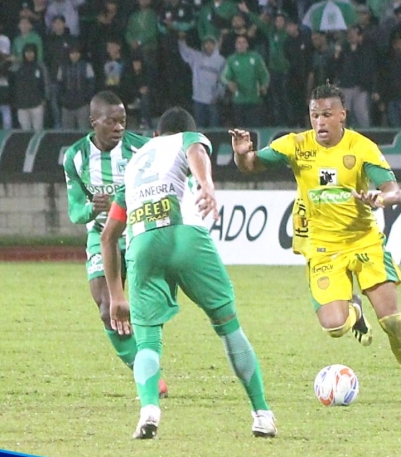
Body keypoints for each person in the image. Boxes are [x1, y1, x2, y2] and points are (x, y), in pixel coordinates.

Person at [229, 83, 401, 404]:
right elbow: (251, 165)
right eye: (314, 115)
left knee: (392, 320)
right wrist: (242, 155)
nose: (320, 122)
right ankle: (354, 311)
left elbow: (394, 191)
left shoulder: (361, 147)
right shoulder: (296, 145)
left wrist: (380, 197)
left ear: (342, 115)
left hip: (364, 241)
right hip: (323, 246)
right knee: (334, 328)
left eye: (327, 114)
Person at [100, 107, 276, 439]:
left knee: (148, 341)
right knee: (228, 326)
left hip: (142, 243)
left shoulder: (136, 164)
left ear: (155, 135)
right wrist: (206, 185)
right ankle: (262, 413)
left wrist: (115, 295)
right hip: (186, 236)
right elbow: (195, 150)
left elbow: (109, 236)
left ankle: (149, 409)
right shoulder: (188, 138)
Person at [63, 90, 168, 397]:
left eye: (123, 120)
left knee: (145, 305)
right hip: (100, 235)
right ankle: (145, 371)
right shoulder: (76, 156)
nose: (119, 127)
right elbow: (74, 209)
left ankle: (148, 360)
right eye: (111, 121)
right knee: (106, 306)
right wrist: (92, 208)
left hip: (139, 233)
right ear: (94, 121)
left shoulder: (141, 148)